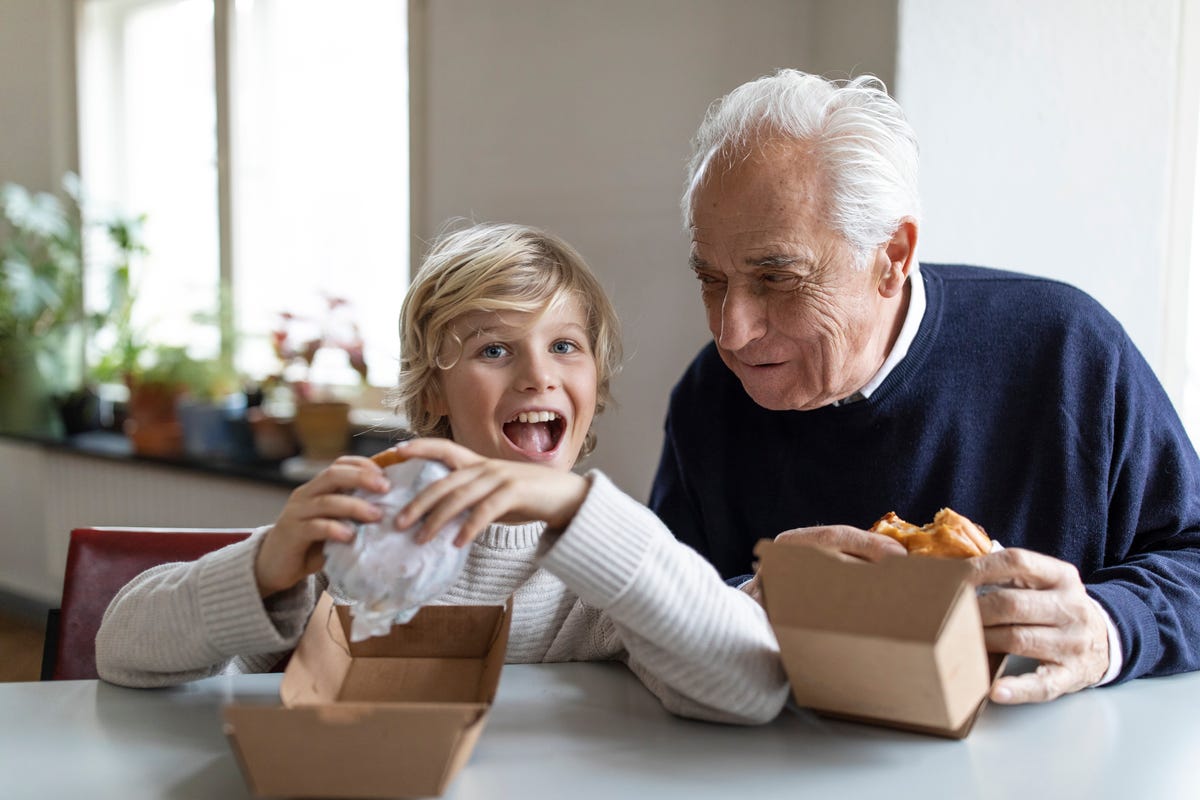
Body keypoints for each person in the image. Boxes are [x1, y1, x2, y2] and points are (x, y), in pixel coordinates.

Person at [649, 69, 1200, 706]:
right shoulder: (709, 397)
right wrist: (739, 608)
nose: (732, 332)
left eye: (776, 278)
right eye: (711, 279)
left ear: (893, 257)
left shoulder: (1068, 349)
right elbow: (654, 607)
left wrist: (1108, 630)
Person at [97, 222, 787, 725]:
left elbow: (751, 685)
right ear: (433, 392)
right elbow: (121, 650)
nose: (538, 375)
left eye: (565, 346)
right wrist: (263, 569)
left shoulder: (604, 565)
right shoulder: (360, 543)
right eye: (494, 348)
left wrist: (577, 512)